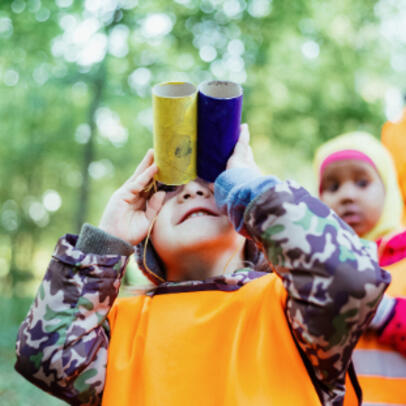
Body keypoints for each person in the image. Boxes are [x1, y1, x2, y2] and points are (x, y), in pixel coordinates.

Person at [15, 125, 389, 406]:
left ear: (249, 225)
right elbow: (45, 354)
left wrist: (253, 190)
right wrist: (106, 240)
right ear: (147, 238)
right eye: (171, 189)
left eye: (214, 185)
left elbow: (350, 279)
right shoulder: (116, 325)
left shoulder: (292, 309)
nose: (193, 190)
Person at [314, 131, 406, 405]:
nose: (347, 195)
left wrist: (382, 311)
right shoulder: (315, 268)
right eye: (332, 187)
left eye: (362, 182)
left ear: (388, 188)